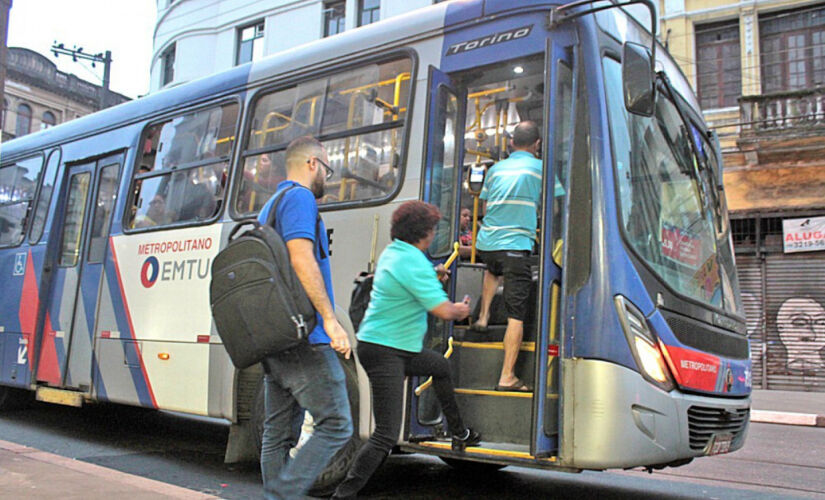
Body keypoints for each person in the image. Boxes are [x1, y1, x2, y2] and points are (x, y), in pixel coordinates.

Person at [332, 200, 481, 500]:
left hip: (393, 347)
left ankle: (459, 432)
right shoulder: (412, 262)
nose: (435, 233)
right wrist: (462, 309)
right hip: (387, 351)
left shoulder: (397, 253)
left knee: (439, 365)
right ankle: (342, 495)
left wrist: (433, 275)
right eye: (434, 228)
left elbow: (415, 281)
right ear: (425, 233)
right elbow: (442, 310)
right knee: (385, 434)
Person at [256, 136, 353, 500]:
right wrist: (329, 319)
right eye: (327, 168)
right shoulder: (299, 197)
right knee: (337, 425)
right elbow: (301, 258)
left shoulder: (270, 206)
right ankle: (280, 496)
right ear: (312, 163)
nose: (327, 176)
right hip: (304, 337)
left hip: (276, 336)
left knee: (277, 434)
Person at [473, 121, 543, 392]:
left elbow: (488, 202)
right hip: (516, 244)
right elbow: (558, 200)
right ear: (537, 145)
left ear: (511, 143)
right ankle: (507, 377)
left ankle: (482, 316)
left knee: (493, 268)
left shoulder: (496, 169)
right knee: (516, 314)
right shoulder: (540, 169)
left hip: (488, 241)